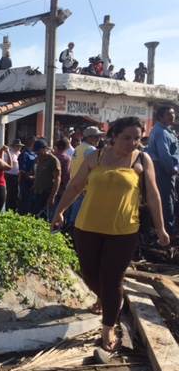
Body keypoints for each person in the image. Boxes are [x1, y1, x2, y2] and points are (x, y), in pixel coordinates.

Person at [52, 117, 169, 351]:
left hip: (124, 231)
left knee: (112, 279)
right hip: (87, 227)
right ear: (113, 136)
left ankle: (108, 327)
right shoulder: (94, 157)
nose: (133, 143)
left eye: (137, 138)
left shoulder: (142, 160)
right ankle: (106, 298)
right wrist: (59, 212)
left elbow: (154, 195)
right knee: (89, 274)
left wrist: (161, 228)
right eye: (127, 137)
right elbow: (75, 187)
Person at [147, 106, 179, 235]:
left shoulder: (166, 131)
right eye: (168, 114)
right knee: (166, 200)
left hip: (165, 170)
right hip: (164, 170)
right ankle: (167, 230)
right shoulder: (160, 132)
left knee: (167, 199)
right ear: (160, 116)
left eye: (173, 114)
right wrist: (172, 170)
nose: (172, 116)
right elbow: (164, 155)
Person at [30, 140, 61, 219]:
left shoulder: (53, 160)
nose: (37, 153)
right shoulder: (38, 159)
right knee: (35, 216)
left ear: (45, 149)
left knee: (44, 217)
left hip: (47, 193)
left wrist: (52, 196)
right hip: (37, 192)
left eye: (38, 151)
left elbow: (57, 179)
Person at [18, 136, 37, 214]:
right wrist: (30, 177)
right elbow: (22, 170)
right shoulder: (24, 154)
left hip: (35, 183)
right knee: (25, 203)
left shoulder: (35, 153)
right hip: (26, 183)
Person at [4, 139, 22, 210]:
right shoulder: (9, 153)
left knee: (16, 194)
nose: (19, 147)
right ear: (14, 146)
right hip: (9, 176)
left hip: (17, 176)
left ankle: (14, 208)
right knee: (10, 194)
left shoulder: (19, 153)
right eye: (17, 146)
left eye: (20, 146)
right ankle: (8, 209)